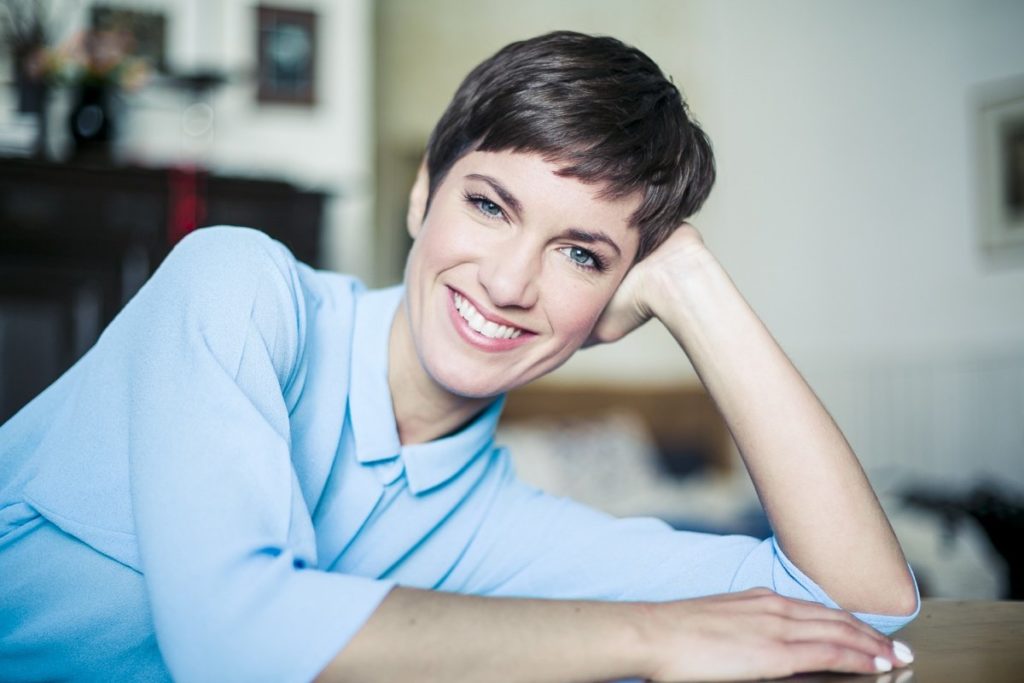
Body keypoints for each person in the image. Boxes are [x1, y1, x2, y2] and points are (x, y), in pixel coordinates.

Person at [0, 31, 918, 683]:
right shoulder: (234, 285)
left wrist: (692, 285)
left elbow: (863, 603)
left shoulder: (489, 527)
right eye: (488, 205)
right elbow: (230, 638)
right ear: (421, 196)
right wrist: (649, 635)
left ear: (612, 303)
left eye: (581, 254)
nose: (510, 281)